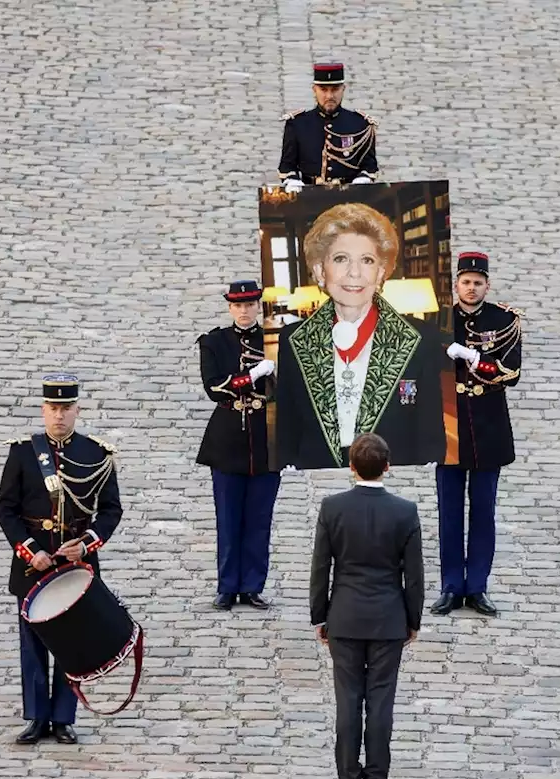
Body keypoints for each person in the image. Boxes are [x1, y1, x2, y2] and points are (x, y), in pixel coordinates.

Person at [0, 374, 123, 745]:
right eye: (53, 409)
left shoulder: (96, 454)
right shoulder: (22, 453)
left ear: (77, 410)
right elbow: (6, 509)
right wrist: (29, 550)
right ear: (43, 410)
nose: (59, 417)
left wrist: (86, 544)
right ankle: (37, 716)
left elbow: (111, 511)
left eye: (66, 409)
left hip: (75, 564)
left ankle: (64, 717)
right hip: (33, 563)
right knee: (32, 643)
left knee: (72, 643)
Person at [274, 202, 446, 469]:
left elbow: (430, 437)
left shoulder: (419, 339)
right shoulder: (293, 340)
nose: (354, 273)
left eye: (367, 260)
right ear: (321, 270)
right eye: (340, 259)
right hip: (318, 476)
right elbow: (286, 432)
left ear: (380, 272)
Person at [309, 433, 423, 779]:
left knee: (348, 701)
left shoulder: (333, 508)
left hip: (344, 616)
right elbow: (414, 575)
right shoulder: (404, 512)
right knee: (380, 703)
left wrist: (319, 615)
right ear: (387, 467)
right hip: (388, 619)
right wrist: (413, 619)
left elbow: (321, 568)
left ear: (351, 466)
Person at [431, 252, 522, 618]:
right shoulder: (440, 321)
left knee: (483, 511)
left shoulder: (505, 320)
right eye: (466, 282)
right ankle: (452, 586)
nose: (471, 288)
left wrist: (470, 356)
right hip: (449, 426)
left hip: (488, 426)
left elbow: (511, 372)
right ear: (456, 285)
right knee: (449, 513)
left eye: (478, 282)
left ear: (487, 285)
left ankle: (478, 586)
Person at [196, 280, 281, 611]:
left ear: (258, 305)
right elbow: (214, 387)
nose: (244, 311)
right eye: (238, 305)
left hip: (265, 438)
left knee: (260, 518)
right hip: (229, 436)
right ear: (230, 307)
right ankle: (227, 585)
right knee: (228, 517)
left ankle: (253, 585)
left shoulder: (274, 341)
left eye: (249, 304)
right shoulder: (215, 342)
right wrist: (252, 376)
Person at [278, 62, 379, 189]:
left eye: (335, 89)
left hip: (349, 195)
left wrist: (363, 179)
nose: (329, 96)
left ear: (343, 89)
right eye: (323, 90)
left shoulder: (360, 124)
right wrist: (293, 180)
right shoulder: (297, 124)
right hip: (310, 195)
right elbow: (287, 165)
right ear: (314, 90)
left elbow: (369, 166)